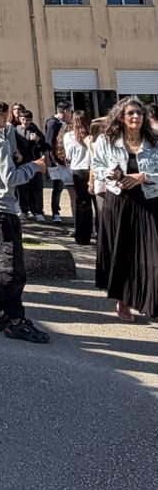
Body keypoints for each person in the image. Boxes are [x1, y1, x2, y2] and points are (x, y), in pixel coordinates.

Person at [0, 100, 50, 343]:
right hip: (2, 209)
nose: (5, 115)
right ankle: (15, 320)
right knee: (10, 266)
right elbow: (10, 178)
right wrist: (33, 167)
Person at [92, 98, 158, 322]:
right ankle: (123, 300)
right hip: (119, 202)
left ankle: (149, 300)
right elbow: (97, 167)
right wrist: (110, 173)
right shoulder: (107, 140)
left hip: (148, 202)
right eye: (130, 113)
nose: (135, 116)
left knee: (152, 255)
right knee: (122, 253)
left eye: (139, 113)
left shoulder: (153, 140)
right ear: (121, 116)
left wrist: (143, 177)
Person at [64, 110, 94, 245]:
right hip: (92, 169)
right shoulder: (93, 135)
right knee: (97, 203)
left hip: (78, 171)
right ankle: (99, 232)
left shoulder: (69, 136)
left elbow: (69, 156)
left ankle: (83, 236)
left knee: (82, 204)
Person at [44, 102, 74, 220]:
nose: (71, 114)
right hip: (56, 160)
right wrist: (52, 159)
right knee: (58, 186)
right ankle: (55, 212)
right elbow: (49, 142)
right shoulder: (53, 123)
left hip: (65, 159)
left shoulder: (65, 123)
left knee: (64, 185)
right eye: (70, 111)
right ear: (65, 111)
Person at [18, 110, 48, 221]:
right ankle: (24, 210)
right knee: (22, 188)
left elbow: (45, 146)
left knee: (37, 188)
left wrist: (38, 140)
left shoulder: (35, 131)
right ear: (20, 119)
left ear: (31, 120)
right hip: (21, 163)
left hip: (35, 163)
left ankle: (39, 212)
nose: (25, 122)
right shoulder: (15, 131)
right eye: (23, 119)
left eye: (28, 120)